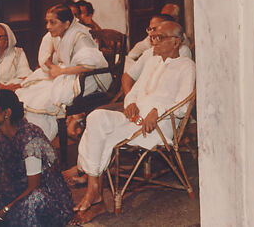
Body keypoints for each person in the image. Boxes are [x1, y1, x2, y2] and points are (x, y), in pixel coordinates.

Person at [70, 21, 195, 221]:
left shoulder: (186, 66)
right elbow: (135, 90)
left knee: (100, 135)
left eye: (160, 38)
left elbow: (182, 105)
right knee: (96, 117)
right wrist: (130, 102)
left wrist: (157, 111)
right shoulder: (152, 60)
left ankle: (94, 192)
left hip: (158, 127)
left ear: (176, 42)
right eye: (153, 36)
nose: (154, 41)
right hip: (134, 119)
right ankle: (94, 189)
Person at [15, 4, 112, 141]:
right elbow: (51, 58)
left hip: (89, 78)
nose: (48, 26)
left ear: (67, 23)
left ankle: (40, 139)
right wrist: (55, 68)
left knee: (46, 99)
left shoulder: (80, 37)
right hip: (70, 73)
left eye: (52, 22)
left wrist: (61, 71)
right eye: (47, 22)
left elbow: (89, 66)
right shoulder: (59, 35)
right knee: (31, 92)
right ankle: (32, 138)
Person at [0, 89, 74, 226]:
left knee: (34, 200)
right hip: (16, 189)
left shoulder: (30, 139)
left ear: (7, 113)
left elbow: (33, 186)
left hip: (45, 195)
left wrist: (5, 209)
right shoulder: (0, 135)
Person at [125, 13, 191, 69]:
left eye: (155, 29)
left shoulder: (182, 50)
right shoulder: (149, 50)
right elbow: (133, 54)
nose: (150, 34)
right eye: (149, 29)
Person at [0, 23, 31, 91]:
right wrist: (3, 88)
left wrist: (8, 87)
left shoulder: (17, 53)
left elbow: (25, 76)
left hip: (14, 90)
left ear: (7, 40)